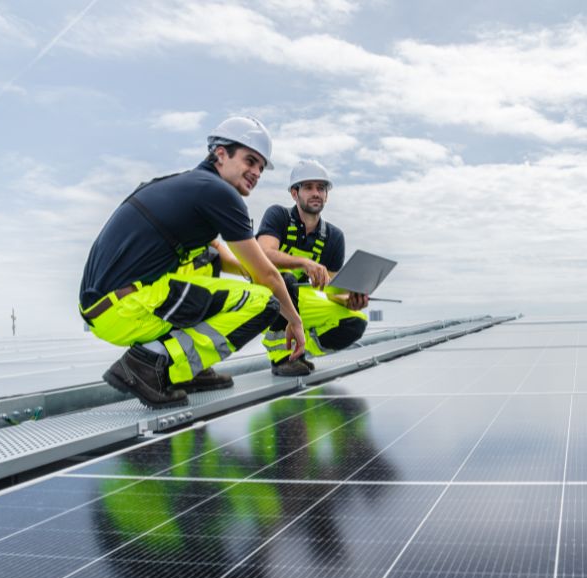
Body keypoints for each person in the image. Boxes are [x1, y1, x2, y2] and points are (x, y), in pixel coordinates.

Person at [78, 116, 306, 408]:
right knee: (265, 301)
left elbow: (218, 254)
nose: (256, 172)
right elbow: (267, 277)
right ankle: (151, 364)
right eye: (250, 161)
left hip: (103, 308)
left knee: (207, 259)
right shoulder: (218, 192)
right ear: (220, 153)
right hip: (129, 307)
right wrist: (294, 321)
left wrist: (254, 269)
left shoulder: (181, 185)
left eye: (261, 167)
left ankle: (188, 369)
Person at [256, 160, 369, 376]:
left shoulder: (334, 237)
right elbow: (263, 254)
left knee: (355, 322)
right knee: (285, 280)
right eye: (308, 187)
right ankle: (281, 358)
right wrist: (304, 262)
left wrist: (350, 300)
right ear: (294, 193)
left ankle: (300, 351)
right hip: (266, 299)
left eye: (321, 188)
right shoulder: (278, 216)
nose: (316, 193)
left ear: (326, 195)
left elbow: (332, 291)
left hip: (300, 301)